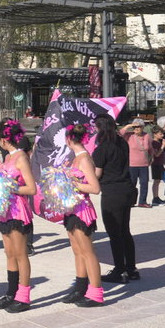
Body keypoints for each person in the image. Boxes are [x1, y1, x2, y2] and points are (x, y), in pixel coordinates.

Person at [0, 120, 37, 313]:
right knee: (9, 253)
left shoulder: (21, 157)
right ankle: (11, 293)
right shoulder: (8, 157)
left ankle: (24, 297)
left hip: (17, 210)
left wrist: (11, 187)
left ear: (3, 139)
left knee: (20, 254)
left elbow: (31, 188)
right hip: (5, 210)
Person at [59, 125, 104, 307]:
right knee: (78, 251)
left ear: (69, 139)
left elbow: (95, 188)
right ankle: (80, 289)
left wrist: (71, 184)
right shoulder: (76, 158)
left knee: (87, 252)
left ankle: (96, 293)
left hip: (81, 209)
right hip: (72, 208)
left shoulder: (84, 159)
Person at [93, 114, 139, 284]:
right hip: (127, 188)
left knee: (114, 233)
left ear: (99, 128)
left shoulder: (102, 148)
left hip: (112, 192)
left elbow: (97, 174)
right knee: (125, 231)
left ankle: (119, 271)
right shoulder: (122, 143)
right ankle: (131, 268)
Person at [121, 119, 153, 208]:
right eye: (134, 127)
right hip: (132, 164)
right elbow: (120, 134)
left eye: (138, 127)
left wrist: (152, 157)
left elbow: (150, 148)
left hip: (144, 164)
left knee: (144, 184)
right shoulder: (129, 135)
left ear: (143, 127)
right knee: (132, 184)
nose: (136, 129)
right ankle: (130, 201)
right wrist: (128, 126)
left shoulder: (147, 136)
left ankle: (142, 201)